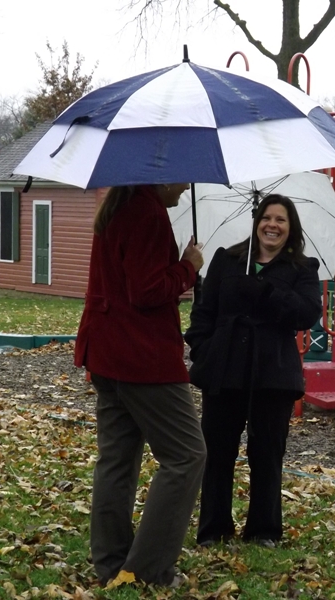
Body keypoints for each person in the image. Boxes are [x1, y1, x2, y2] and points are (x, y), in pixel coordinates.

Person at [74, 183, 207, 588]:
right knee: (187, 456)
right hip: (142, 358)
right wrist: (188, 267)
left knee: (116, 461)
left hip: (106, 353)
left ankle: (111, 563)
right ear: (163, 175)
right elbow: (146, 291)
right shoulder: (146, 212)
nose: (186, 186)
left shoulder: (119, 206)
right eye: (183, 178)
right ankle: (146, 570)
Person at [185, 194, 322, 548]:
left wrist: (264, 292)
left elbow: (306, 313)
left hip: (273, 375)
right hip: (225, 370)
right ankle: (214, 528)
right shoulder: (228, 259)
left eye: (280, 220)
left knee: (267, 454)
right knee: (217, 452)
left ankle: (263, 530)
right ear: (256, 221)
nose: (272, 225)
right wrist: (203, 348)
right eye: (266, 218)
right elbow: (204, 311)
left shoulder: (302, 269)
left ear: (290, 228)